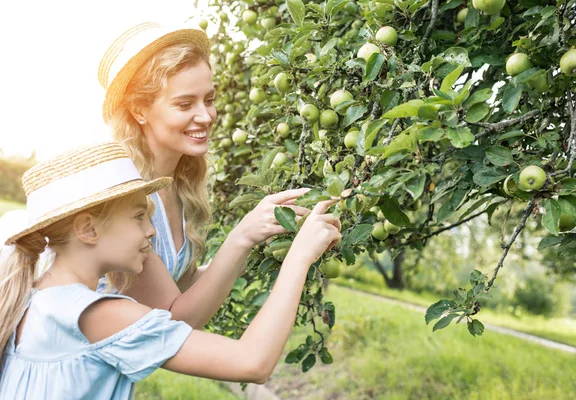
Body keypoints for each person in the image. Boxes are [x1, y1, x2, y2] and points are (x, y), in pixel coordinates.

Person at [0, 142, 341, 399]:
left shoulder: (34, 299)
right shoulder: (99, 314)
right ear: (87, 229)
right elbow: (253, 362)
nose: (151, 230)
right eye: (138, 217)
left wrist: (245, 241)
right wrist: (300, 255)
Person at [96, 22, 317, 328]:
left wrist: (262, 240)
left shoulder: (181, 185)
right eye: (185, 104)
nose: (206, 116)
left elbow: (181, 285)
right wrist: (242, 236)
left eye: (209, 99)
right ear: (139, 110)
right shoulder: (122, 194)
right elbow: (172, 321)